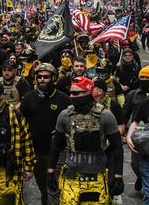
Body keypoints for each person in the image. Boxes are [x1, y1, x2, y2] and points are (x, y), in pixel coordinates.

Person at [47, 76, 124, 204]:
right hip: (71, 177)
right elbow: (56, 144)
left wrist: (118, 176)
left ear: (88, 93)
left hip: (96, 178)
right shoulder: (65, 115)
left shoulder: (105, 115)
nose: (71, 96)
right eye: (70, 92)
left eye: (76, 93)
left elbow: (117, 146)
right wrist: (50, 170)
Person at [19, 63, 71, 205]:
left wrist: (64, 132)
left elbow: (72, 124)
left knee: (54, 187)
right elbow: (21, 122)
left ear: (53, 78)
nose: (42, 79)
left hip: (58, 152)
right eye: (39, 77)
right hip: (36, 152)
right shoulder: (29, 97)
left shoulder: (64, 100)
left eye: (46, 77)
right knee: (43, 187)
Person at [123, 66, 149, 191]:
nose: (144, 80)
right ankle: (141, 176)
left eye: (147, 78)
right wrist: (125, 133)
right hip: (138, 135)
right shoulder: (132, 95)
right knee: (135, 163)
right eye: (142, 77)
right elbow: (125, 115)